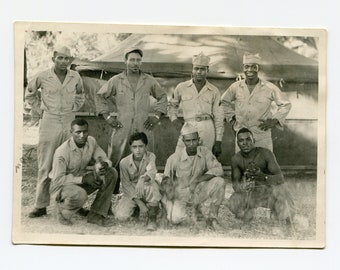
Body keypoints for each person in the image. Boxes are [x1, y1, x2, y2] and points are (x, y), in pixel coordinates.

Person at [25, 46, 85, 218]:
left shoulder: (75, 76)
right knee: (46, 163)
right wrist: (39, 111)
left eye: (67, 58)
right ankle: (41, 205)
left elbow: (81, 95)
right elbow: (29, 95)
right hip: (49, 121)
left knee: (73, 162)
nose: (64, 61)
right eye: (60, 58)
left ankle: (74, 202)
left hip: (68, 120)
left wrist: (73, 108)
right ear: (53, 58)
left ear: (70, 61)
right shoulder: (43, 76)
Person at [95, 46, 167, 169]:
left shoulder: (149, 80)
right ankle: (114, 186)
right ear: (125, 61)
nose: (135, 63)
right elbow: (100, 96)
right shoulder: (116, 80)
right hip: (122, 126)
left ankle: (144, 186)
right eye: (132, 60)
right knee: (116, 157)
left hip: (143, 125)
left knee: (146, 159)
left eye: (138, 60)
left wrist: (157, 116)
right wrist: (108, 117)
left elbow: (162, 96)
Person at [50, 119, 118, 226]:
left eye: (85, 131)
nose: (82, 135)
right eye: (78, 132)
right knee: (80, 194)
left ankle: (96, 214)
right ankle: (62, 211)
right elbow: (57, 180)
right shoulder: (62, 152)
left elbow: (102, 157)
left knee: (111, 173)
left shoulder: (91, 141)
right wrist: (84, 179)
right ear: (71, 132)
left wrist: (103, 164)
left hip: (80, 182)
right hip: (61, 188)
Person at [221, 52, 291, 151]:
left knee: (263, 163)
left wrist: (274, 120)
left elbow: (286, 105)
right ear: (243, 68)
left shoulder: (269, 87)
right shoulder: (236, 87)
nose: (250, 70)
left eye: (254, 67)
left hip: (261, 135)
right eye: (247, 67)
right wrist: (232, 119)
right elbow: (223, 102)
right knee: (242, 164)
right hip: (242, 135)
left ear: (259, 68)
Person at [162, 123, 226, 230]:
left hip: (197, 191)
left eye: (194, 140)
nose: (192, 144)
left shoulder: (205, 152)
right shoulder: (174, 158)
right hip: (180, 195)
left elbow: (219, 169)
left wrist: (197, 180)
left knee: (219, 182)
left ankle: (212, 218)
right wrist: (170, 198)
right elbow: (165, 180)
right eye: (188, 141)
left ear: (199, 140)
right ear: (183, 141)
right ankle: (186, 210)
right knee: (175, 219)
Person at [228, 127, 295, 223]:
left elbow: (280, 178)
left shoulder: (265, 154)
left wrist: (263, 176)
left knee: (282, 191)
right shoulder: (236, 159)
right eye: (241, 140)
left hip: (269, 192)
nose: (245, 143)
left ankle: (284, 216)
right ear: (237, 143)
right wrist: (243, 186)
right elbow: (235, 185)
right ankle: (248, 213)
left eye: (248, 139)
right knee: (234, 201)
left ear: (253, 141)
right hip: (253, 193)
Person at [169, 52, 224, 157]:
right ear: (192, 69)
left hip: (207, 128)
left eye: (202, 69)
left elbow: (219, 117)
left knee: (205, 158)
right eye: (196, 68)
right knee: (180, 157)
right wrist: (174, 120)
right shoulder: (182, 87)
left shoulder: (214, 90)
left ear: (207, 70)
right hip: (188, 126)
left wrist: (218, 141)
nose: (199, 72)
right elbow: (172, 106)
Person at [115, 132, 161, 231]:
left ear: (146, 147)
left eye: (141, 146)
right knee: (121, 216)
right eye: (134, 147)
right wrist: (140, 204)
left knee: (152, 186)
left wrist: (142, 179)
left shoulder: (150, 156)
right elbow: (126, 185)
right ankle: (137, 208)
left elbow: (152, 172)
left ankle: (152, 218)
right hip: (132, 192)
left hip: (146, 187)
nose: (138, 150)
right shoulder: (124, 162)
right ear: (130, 148)